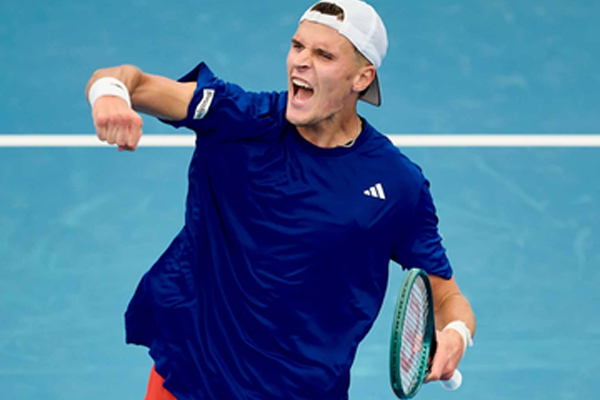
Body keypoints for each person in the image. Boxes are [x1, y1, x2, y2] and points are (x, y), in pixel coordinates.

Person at [85, 1, 476, 399]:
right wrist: (110, 94)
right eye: (297, 46)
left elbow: (446, 295)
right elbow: (131, 82)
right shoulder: (239, 120)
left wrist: (457, 334)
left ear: (362, 77)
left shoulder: (396, 184)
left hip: (301, 389)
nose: (301, 62)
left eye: (323, 55)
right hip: (193, 378)